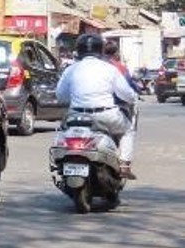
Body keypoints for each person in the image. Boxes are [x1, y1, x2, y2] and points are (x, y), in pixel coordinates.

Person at [56, 32, 138, 179]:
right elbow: (125, 93)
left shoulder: (71, 69)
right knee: (128, 130)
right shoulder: (109, 69)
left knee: (61, 131)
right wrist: (133, 99)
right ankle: (124, 165)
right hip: (105, 115)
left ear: (79, 51)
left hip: (75, 116)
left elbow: (60, 95)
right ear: (100, 50)